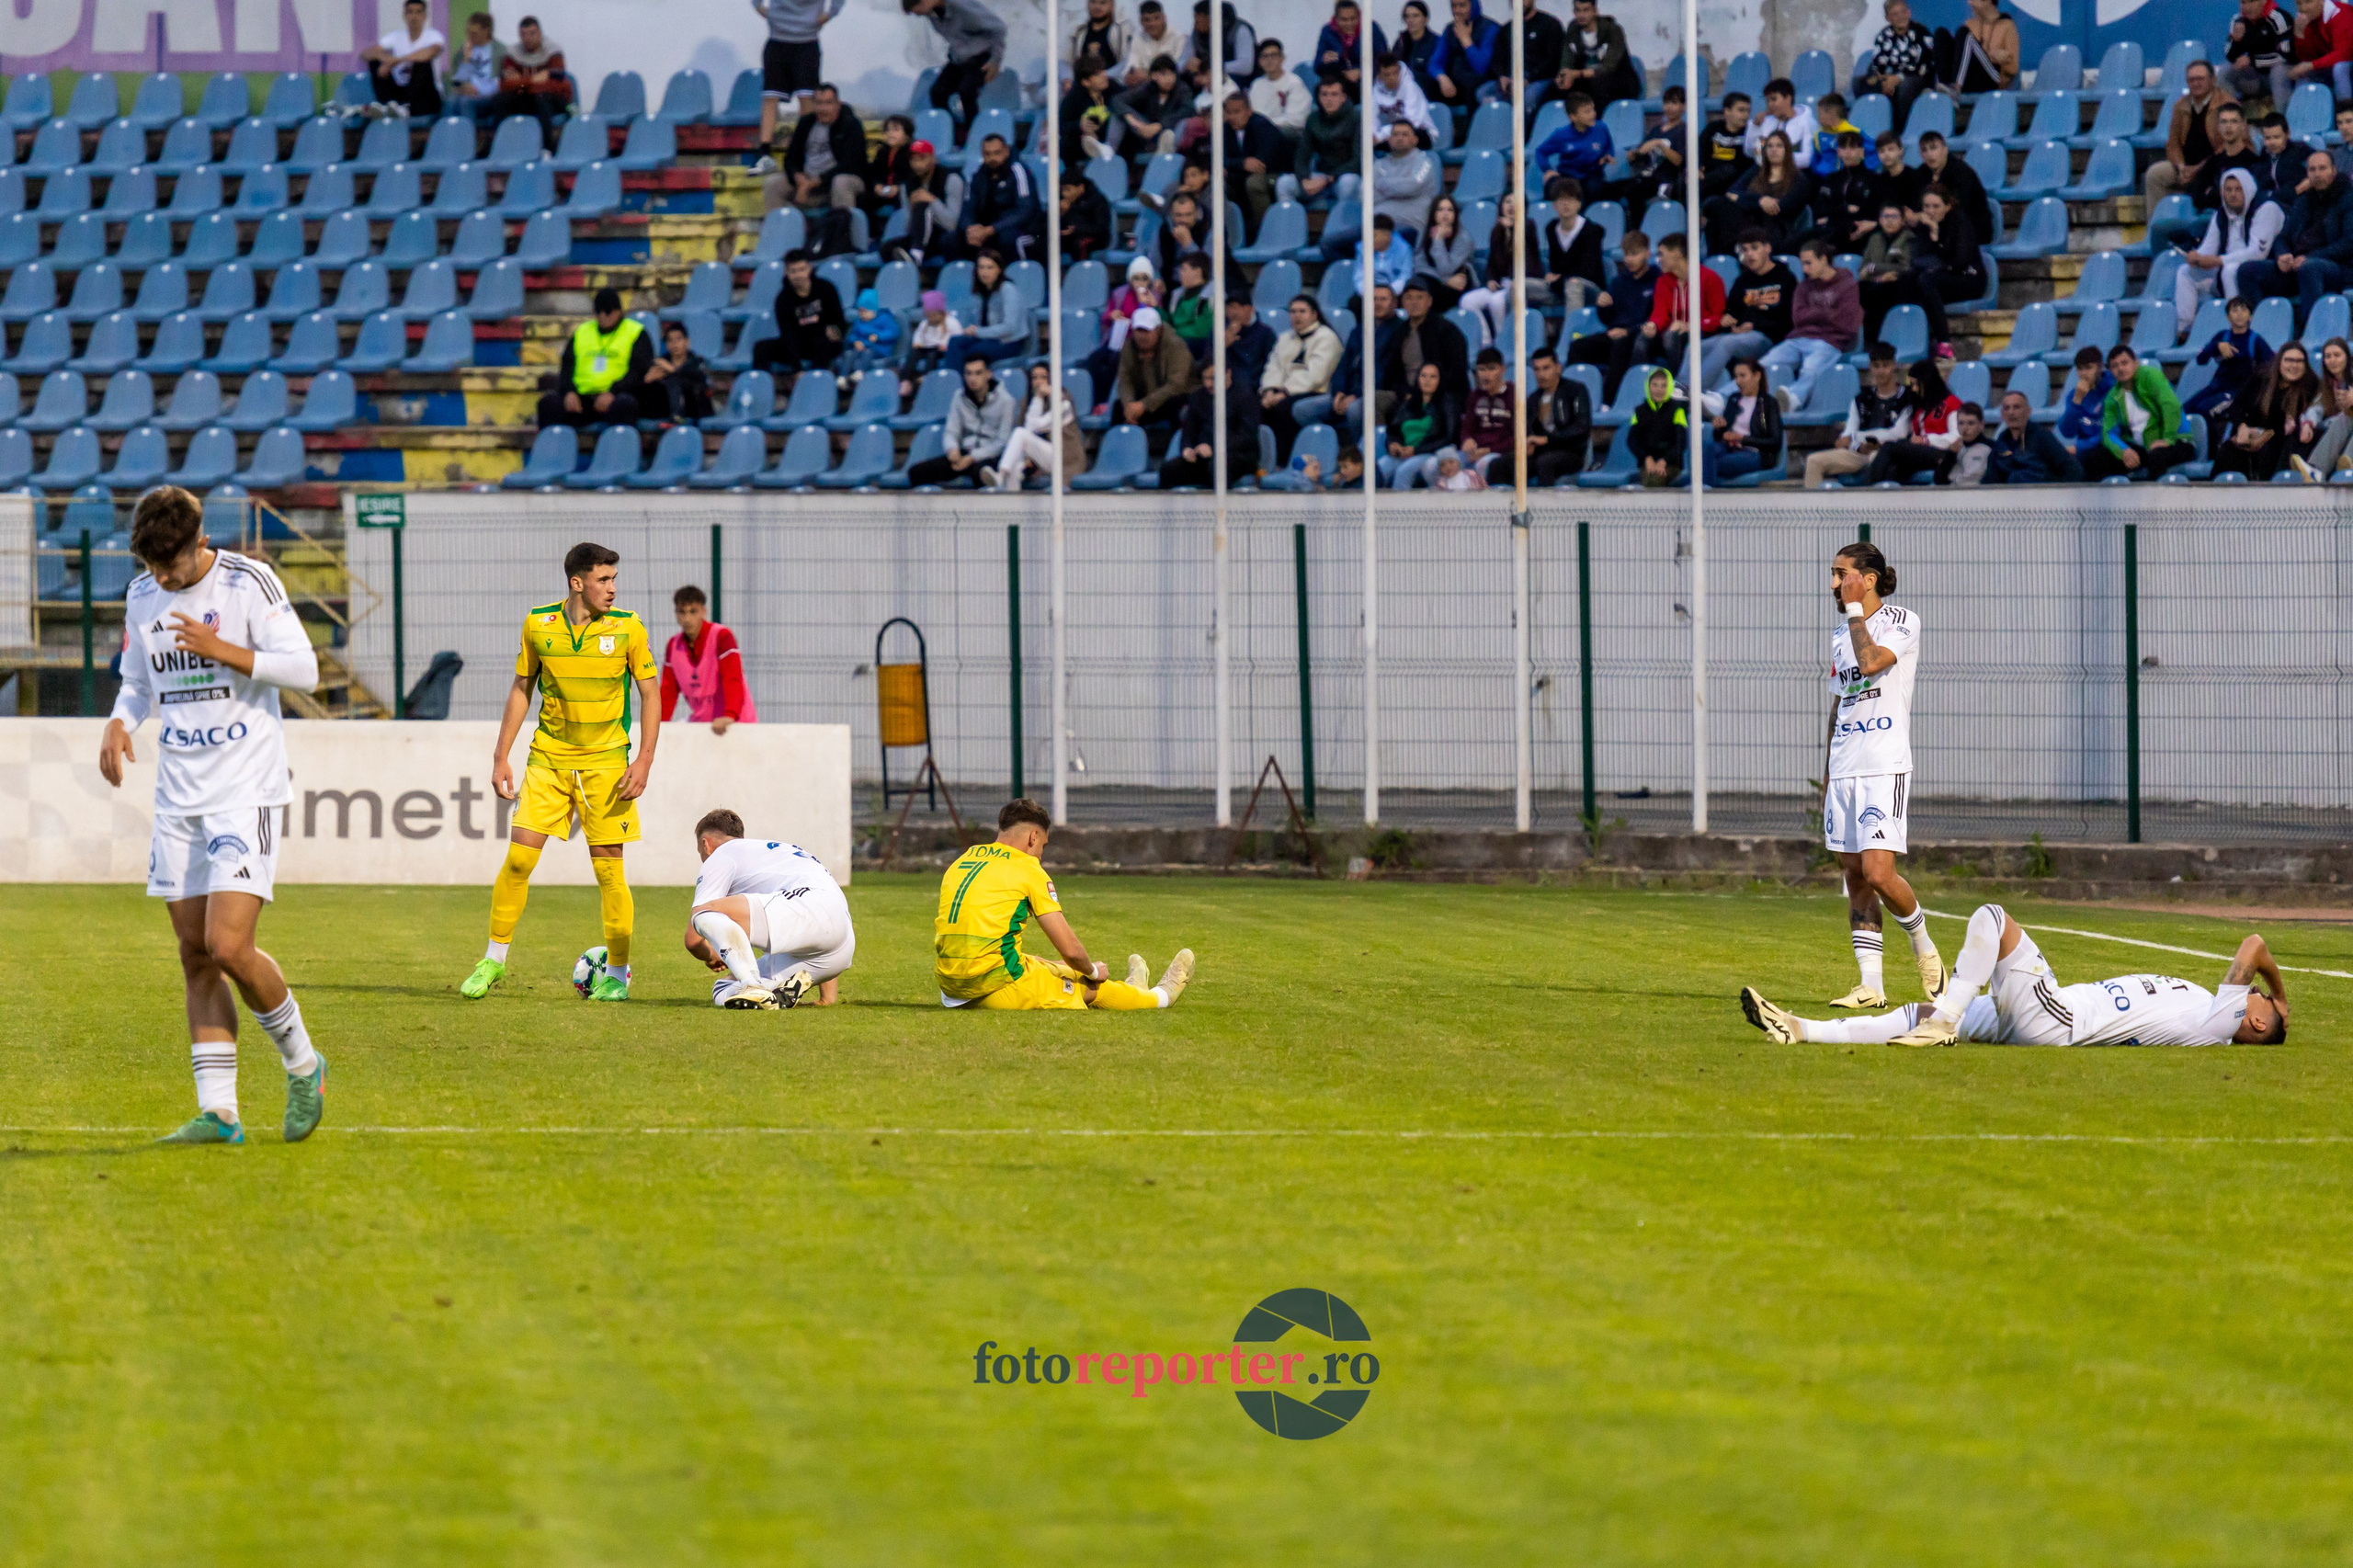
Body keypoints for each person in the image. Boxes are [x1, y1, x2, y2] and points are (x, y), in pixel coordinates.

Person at [98, 485, 325, 1145]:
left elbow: (305, 669)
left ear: (200, 542)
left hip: (244, 788)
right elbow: (138, 682)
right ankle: (220, 1112)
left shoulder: (249, 583)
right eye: (152, 567)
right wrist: (119, 723)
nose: (163, 579)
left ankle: (304, 1064)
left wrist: (220, 649)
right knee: (195, 954)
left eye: (170, 565)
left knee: (229, 946)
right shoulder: (144, 597)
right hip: (179, 797)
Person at [461, 542, 661, 1004]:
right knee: (518, 860)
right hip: (549, 759)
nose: (612, 588)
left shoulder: (629, 628)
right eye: (603, 580)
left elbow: (650, 693)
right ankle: (492, 960)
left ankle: (616, 974)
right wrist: (500, 755)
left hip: (607, 763)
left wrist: (644, 759)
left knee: (610, 870)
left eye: (614, 579)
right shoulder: (538, 624)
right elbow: (521, 688)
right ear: (578, 583)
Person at [1742, 910, 2288, 1051]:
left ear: (2258, 1021)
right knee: (1917, 1014)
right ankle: (1802, 1028)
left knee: (1994, 918)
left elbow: (2253, 947)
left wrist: (2281, 996)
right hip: (2043, 1015)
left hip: (2059, 1021)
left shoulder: (2220, 1025)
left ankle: (1949, 1016)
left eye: (2259, 1001)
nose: (2251, 992)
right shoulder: (2206, 1011)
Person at [936, 799, 1193, 1011]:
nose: (1041, 854)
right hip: (993, 988)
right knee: (1088, 986)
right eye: (1043, 846)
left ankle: (1132, 988)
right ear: (1033, 837)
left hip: (950, 988)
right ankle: (1160, 996)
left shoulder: (963, 860)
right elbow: (1071, 950)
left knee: (1040, 963)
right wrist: (1092, 971)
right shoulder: (1027, 868)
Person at [684, 813, 850, 1010]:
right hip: (839, 948)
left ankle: (751, 984)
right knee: (724, 987)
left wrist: (711, 955)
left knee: (704, 913)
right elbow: (824, 918)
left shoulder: (721, 855)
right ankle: (773, 991)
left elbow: (693, 939)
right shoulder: (781, 850)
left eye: (700, 853)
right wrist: (826, 999)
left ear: (706, 844)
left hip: (805, 908)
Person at [2239, 149, 2353, 328]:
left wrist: (2312, 256)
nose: (2317, 174)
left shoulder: (2347, 199)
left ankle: (2309, 330)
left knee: (2309, 268)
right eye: (2312, 170)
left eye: (2322, 169)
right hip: (2298, 265)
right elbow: (2282, 237)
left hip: (2335, 267)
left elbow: (2348, 243)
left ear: (2333, 171)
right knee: (2247, 270)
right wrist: (2283, 255)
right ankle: (2266, 327)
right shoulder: (2303, 201)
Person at [2177, 169, 2284, 333]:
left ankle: (2236, 329)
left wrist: (2218, 261)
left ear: (2248, 189)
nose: (2233, 194)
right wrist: (2196, 257)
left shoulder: (2266, 208)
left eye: (2238, 189)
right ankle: (2185, 330)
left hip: (2265, 270)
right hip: (2226, 267)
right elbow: (2208, 249)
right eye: (2228, 190)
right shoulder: (2221, 214)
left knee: (2230, 270)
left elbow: (2257, 253)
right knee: (2185, 272)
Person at [1765, 239, 1861, 414]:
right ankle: (1722, 398)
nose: (1804, 269)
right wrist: (1827, 313)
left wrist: (1814, 313)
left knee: (1811, 367)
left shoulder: (1847, 284)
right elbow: (1798, 318)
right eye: (1802, 264)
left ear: (1823, 259)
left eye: (1808, 263)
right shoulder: (1803, 286)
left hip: (1830, 341)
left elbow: (1846, 321)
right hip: (1798, 338)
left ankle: (1793, 398)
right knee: (1764, 364)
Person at [539, 287, 653, 428]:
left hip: (615, 398)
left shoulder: (636, 333)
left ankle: (617, 448)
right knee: (548, 404)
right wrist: (569, 391)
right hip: (583, 400)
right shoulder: (582, 332)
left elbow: (638, 372)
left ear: (619, 311)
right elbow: (567, 366)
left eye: (608, 311)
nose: (603, 316)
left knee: (626, 404)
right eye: (598, 312)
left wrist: (613, 393)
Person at [1804, 340, 1913, 486]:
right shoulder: (1861, 398)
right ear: (1870, 367)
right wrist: (1856, 445)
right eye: (1876, 366)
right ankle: (1812, 506)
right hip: (1859, 452)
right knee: (1814, 461)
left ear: (1894, 365)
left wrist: (1857, 438)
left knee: (1877, 457)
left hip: (1888, 453)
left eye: (1885, 366)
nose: (1881, 371)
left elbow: (1898, 433)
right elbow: (1848, 433)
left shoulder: (1907, 398)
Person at [754, 0, 847, 165]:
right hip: (777, 39)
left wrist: (831, 13)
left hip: (807, 41)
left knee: (807, 97)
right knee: (770, 96)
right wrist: (760, 8)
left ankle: (805, 147)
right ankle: (764, 151)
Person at [2213, 337, 2321, 478]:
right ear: (2279, 362)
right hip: (2251, 434)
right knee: (2227, 451)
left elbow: (2292, 422)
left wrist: (2264, 435)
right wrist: (2242, 427)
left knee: (2270, 448)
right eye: (2289, 360)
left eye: (2299, 361)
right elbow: (2237, 406)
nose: (2294, 365)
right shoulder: (2261, 378)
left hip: (2281, 438)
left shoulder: (2310, 385)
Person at [1570, 223, 1655, 399]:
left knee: (1620, 344)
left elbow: (1654, 317)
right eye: (1626, 254)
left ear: (1647, 253)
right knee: (1577, 347)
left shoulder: (1657, 280)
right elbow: (1607, 318)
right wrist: (1603, 306)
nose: (1629, 259)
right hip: (1614, 333)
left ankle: (1608, 401)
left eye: (1634, 254)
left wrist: (1628, 331)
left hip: (1637, 336)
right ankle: (1576, 397)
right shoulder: (1618, 281)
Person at [1899, 182, 1986, 355]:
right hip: (1941, 275)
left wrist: (1937, 237)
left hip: (1969, 277)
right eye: (1926, 206)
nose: (1930, 211)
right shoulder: (1925, 224)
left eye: (1936, 206)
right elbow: (1920, 259)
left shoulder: (1960, 222)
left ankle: (1944, 343)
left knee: (1926, 281)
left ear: (1948, 206)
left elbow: (1960, 261)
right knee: (1907, 279)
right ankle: (1907, 340)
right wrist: (1931, 234)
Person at [1701, 230, 1796, 387]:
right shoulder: (1742, 281)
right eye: (1745, 250)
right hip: (1740, 337)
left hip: (1769, 338)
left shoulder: (1785, 278)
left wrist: (1754, 326)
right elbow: (1731, 312)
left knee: (1727, 344)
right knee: (1696, 347)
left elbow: (1788, 320)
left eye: (1754, 248)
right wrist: (1729, 323)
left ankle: (1695, 392)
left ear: (1767, 248)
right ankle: (1683, 389)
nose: (1749, 254)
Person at [1462, 188, 1562, 337]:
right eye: (1508, 201)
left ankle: (1505, 339)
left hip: (1522, 283)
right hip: (1502, 285)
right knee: (1467, 301)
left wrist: (1514, 228)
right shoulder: (1497, 230)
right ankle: (1487, 340)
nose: (1511, 206)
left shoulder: (1529, 226)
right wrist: (1490, 280)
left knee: (1496, 302)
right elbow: (1492, 264)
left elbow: (1525, 260)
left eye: (1516, 202)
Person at [2086, 345, 2193, 480]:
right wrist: (2124, 451)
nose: (2120, 369)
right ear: (2111, 371)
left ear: (2135, 363)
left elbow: (2171, 405)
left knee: (2157, 456)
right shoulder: (2112, 397)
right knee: (2096, 458)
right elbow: (2108, 433)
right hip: (2143, 447)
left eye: (2125, 363)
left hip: (2176, 441)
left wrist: (2168, 438)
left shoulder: (2150, 376)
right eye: (2115, 366)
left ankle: (2155, 500)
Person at [661, 584, 756, 736]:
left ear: (703, 612)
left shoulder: (722, 637)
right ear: (675, 613)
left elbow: (732, 678)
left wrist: (729, 715)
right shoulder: (673, 646)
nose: (687, 618)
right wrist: (659, 723)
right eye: (682, 612)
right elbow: (667, 692)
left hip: (736, 724)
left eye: (693, 611)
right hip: (704, 726)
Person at [908, 355, 1017, 486]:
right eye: (968, 373)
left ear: (988, 374)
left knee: (981, 474)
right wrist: (952, 449)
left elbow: (1002, 443)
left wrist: (973, 457)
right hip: (964, 453)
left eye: (978, 373)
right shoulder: (959, 397)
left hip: (990, 456)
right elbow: (951, 431)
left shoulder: (1006, 401)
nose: (973, 378)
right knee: (916, 472)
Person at [2144, 61, 2238, 211]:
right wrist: (2181, 167)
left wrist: (2199, 168)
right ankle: (2156, 228)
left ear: (2212, 80)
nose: (2196, 83)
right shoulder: (2180, 106)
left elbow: (2227, 146)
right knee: (2155, 174)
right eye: (2191, 80)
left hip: (2213, 166)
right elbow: (2173, 143)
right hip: (2185, 166)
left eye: (2200, 79)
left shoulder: (2226, 105)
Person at [1260, 294, 1344, 460]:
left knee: (1284, 408)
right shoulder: (1285, 338)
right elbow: (1274, 367)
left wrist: (1285, 392)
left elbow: (1316, 376)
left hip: (1317, 391)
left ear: (1314, 314)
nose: (1296, 315)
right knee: (1258, 406)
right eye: (1292, 311)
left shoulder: (1326, 337)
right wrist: (1269, 390)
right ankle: (1263, 462)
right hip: (1284, 391)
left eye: (1302, 311)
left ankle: (1283, 460)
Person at [1314, 280, 1404, 436]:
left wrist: (1356, 395)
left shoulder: (1400, 331)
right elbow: (1343, 365)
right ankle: (1332, 446)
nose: (1378, 303)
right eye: (1374, 299)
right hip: (1349, 392)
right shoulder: (1359, 330)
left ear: (1394, 303)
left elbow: (1383, 373)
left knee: (1355, 409)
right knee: (1303, 410)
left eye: (1383, 299)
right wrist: (1339, 392)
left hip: (1376, 393)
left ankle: (1360, 453)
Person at [1705, 129, 1811, 255]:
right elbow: (1731, 193)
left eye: (1779, 146)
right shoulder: (1756, 171)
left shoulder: (1799, 179)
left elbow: (1780, 208)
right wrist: (1760, 201)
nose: (1774, 150)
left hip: (1774, 229)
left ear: (1787, 150)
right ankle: (1725, 257)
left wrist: (1746, 201)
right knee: (1717, 204)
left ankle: (1733, 251)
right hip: (1746, 222)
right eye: (1769, 146)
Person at [1860, 358, 1962, 483]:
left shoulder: (1952, 404)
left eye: (1916, 384)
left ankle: (1868, 491)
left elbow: (1956, 438)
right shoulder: (1920, 409)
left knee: (1889, 447)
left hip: (1944, 454)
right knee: (1894, 469)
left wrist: (1927, 440)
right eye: (1912, 384)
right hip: (1922, 453)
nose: (1913, 389)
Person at [1159, 361, 1262, 487]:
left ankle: (1220, 506)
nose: (1208, 384)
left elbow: (1246, 437)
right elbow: (1189, 431)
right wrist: (1187, 448)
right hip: (1203, 456)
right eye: (1205, 378)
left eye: (1213, 378)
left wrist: (1214, 448)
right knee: (1169, 469)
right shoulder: (1198, 397)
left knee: (1217, 467)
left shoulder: (1245, 397)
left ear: (1228, 374)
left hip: (1238, 456)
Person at [906, 0, 1007, 126]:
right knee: (938, 92)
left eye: (918, 9)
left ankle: (973, 130)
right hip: (959, 59)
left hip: (981, 56)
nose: (919, 15)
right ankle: (949, 130)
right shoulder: (933, 15)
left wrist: (996, 60)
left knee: (966, 91)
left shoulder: (961, 7)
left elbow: (998, 28)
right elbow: (955, 37)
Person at [1601, 84, 1688, 225]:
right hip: (1646, 176)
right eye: (1666, 103)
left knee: (1634, 192)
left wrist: (1659, 144)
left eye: (1674, 103)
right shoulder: (1655, 130)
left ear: (1683, 107)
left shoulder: (1684, 130)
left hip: (1665, 180)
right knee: (1606, 189)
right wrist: (1634, 154)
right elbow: (1639, 154)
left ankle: (1639, 229)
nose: (1669, 107)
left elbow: (1679, 160)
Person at [993, 361, 1088, 488]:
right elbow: (1027, 431)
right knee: (1015, 463)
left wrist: (1039, 397)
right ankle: (1011, 498)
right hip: (1046, 457)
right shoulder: (1027, 402)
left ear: (1051, 380)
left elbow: (1035, 426)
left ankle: (1001, 474)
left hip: (1066, 458)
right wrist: (1026, 456)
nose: (1038, 382)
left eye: (1043, 377)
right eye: (1034, 378)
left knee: (1020, 434)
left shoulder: (1064, 401)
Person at [751, 250, 846, 376]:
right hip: (798, 344)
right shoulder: (783, 299)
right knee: (761, 348)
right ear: (786, 272)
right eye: (793, 271)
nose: (798, 275)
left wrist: (836, 331)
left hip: (824, 342)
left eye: (802, 269)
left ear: (809, 268)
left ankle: (814, 380)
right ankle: (760, 387)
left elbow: (840, 321)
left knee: (824, 341)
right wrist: (797, 369)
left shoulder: (826, 288)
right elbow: (787, 335)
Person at [781, 83, 870, 215]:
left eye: (828, 103)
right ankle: (780, 230)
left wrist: (816, 182)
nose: (823, 108)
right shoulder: (806, 123)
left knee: (840, 182)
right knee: (774, 183)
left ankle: (841, 231)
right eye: (819, 103)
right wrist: (796, 175)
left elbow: (851, 164)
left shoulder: (850, 124)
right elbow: (790, 158)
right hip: (807, 178)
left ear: (837, 104)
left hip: (841, 179)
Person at [1644, 232, 1724, 375]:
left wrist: (1691, 326)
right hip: (1673, 330)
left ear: (1677, 253)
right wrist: (1653, 324)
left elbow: (1718, 318)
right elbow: (1660, 312)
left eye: (1662, 254)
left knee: (1672, 335)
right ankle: (1640, 384)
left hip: (1703, 331)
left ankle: (1677, 384)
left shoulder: (1711, 279)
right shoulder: (1663, 281)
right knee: (1642, 338)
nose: (1659, 260)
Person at [2185, 291, 2274, 420]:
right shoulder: (2221, 337)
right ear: (2228, 317)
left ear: (2250, 316)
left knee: (2204, 409)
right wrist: (2215, 347)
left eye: (2243, 310)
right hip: (2216, 387)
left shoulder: (2255, 341)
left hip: (2240, 392)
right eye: (2234, 310)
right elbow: (2201, 360)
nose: (2239, 314)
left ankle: (2212, 440)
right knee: (2184, 411)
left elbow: (2270, 366)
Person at [1115, 304, 1196, 440]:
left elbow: (1177, 385)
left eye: (1146, 331)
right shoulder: (1129, 346)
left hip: (1175, 396)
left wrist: (1144, 404)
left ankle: (1175, 450)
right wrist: (1129, 404)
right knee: (1119, 407)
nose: (1142, 336)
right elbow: (1125, 379)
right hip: (1148, 397)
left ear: (1158, 330)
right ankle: (1121, 451)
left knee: (1175, 404)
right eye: (1138, 330)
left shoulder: (1176, 346)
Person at [943, 248, 1032, 370]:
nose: (985, 272)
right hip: (989, 339)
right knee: (954, 342)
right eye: (981, 267)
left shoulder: (1008, 289)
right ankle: (953, 383)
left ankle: (962, 386)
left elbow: (1010, 327)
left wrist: (978, 332)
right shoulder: (982, 291)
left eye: (990, 267)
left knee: (970, 353)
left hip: (1008, 342)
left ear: (999, 270)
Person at [483, 16, 571, 138]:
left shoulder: (553, 52)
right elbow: (505, 85)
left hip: (552, 99)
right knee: (500, 100)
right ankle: (503, 144)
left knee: (541, 96)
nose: (528, 38)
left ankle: (547, 148)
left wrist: (520, 82)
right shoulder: (513, 54)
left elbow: (557, 85)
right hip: (525, 96)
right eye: (523, 34)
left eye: (532, 33)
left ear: (540, 33)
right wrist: (533, 80)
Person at [961, 133, 1042, 260]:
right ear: (982, 154)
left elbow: (1026, 211)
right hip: (988, 229)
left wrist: (991, 229)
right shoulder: (978, 174)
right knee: (951, 240)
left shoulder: (1019, 171)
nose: (992, 158)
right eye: (988, 154)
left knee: (1008, 239)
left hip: (1021, 229)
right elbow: (967, 209)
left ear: (1006, 151)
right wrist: (970, 229)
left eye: (997, 153)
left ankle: (1019, 277)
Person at [1220, 87, 1290, 232]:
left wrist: (1233, 166)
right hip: (1242, 175)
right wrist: (1241, 163)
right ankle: (1234, 233)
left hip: (1277, 176)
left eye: (1237, 112)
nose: (1232, 117)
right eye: (1228, 112)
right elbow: (1219, 159)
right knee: (1220, 182)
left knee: (1254, 183)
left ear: (1249, 111)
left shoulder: (1262, 126)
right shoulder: (1224, 130)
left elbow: (1261, 165)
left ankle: (1266, 231)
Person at [1701, 357, 1781, 484]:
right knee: (1705, 450)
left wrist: (1741, 438)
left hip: (1755, 453)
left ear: (1757, 376)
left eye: (1743, 376)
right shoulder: (1734, 399)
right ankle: (1706, 491)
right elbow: (1720, 436)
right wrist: (1719, 427)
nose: (1738, 381)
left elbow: (1775, 441)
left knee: (1715, 463)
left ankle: (1705, 493)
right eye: (1736, 377)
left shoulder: (1769, 403)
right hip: (1729, 448)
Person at [1856, 0, 1934, 130]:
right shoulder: (1883, 36)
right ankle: (1874, 127)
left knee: (1904, 86)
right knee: (1859, 83)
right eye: (1895, 14)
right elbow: (1877, 63)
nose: (1901, 17)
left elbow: (1925, 65)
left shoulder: (1922, 33)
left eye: (1903, 12)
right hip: (1890, 78)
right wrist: (1885, 79)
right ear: (1888, 18)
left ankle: (1899, 130)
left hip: (1917, 78)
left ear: (1909, 13)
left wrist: (1898, 78)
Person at [360, 0, 445, 118]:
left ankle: (406, 107)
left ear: (425, 16)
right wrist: (385, 59)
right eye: (410, 12)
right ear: (405, 16)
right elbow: (365, 53)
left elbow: (429, 53)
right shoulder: (396, 37)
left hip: (426, 97)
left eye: (418, 12)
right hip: (400, 92)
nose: (414, 17)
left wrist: (395, 61)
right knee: (375, 62)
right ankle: (386, 106)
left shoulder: (433, 36)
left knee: (421, 63)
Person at [1382, 359, 1460, 486]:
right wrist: (1393, 444)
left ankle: (1400, 506)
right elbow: (1393, 431)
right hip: (1402, 453)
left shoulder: (1447, 404)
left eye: (1432, 376)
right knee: (1380, 468)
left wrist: (1415, 450)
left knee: (1404, 471)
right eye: (1423, 375)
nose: (1427, 380)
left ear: (1440, 380)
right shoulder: (1408, 404)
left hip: (1429, 453)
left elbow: (1447, 437)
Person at [1520, 346, 1591, 483]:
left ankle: (1544, 503)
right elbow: (1527, 428)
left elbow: (1581, 428)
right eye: (1537, 369)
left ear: (1558, 368)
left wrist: (1548, 439)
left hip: (1571, 452)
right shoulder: (1534, 398)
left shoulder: (1576, 390)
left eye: (1546, 368)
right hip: (1541, 452)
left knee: (1545, 463)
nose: (1541, 374)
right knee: (1503, 463)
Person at [1554, 0, 1641, 111]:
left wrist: (1576, 74)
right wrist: (1563, 75)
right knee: (1556, 88)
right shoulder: (1573, 29)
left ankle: (1598, 123)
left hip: (1619, 81)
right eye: (1578, 11)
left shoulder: (1613, 30)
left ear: (1595, 11)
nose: (1581, 15)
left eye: (1586, 10)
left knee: (1599, 84)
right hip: (1588, 81)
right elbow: (1566, 58)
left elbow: (1609, 67)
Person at [1427, 0, 1502, 127]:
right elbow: (1434, 62)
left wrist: (1466, 40)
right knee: (1427, 84)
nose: (1457, 10)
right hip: (1454, 81)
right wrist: (1442, 77)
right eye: (1454, 6)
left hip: (1479, 79)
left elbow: (1481, 66)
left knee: (1471, 83)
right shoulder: (1450, 29)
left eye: (1462, 5)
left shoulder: (1490, 28)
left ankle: (1473, 132)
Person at [1397, 273, 1471, 400]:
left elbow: (1456, 373)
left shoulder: (1447, 331)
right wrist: (1405, 393)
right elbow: (1393, 373)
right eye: (1409, 298)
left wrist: (1428, 393)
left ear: (1429, 301)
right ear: (1403, 302)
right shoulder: (1399, 332)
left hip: (1442, 396)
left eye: (1420, 298)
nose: (1414, 303)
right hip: (1407, 396)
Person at [1984, 389, 2083, 483]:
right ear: (2002, 414)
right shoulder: (2001, 443)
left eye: (2016, 407)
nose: (2011, 413)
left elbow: (2072, 470)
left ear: (2028, 412)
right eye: (2007, 408)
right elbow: (1990, 478)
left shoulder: (2042, 437)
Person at [1915, 131, 1992, 245]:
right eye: (1924, 150)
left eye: (1933, 148)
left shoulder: (1961, 172)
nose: (1930, 154)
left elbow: (1960, 207)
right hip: (1935, 226)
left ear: (1945, 149)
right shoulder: (1921, 173)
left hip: (1970, 228)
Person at [1855, 200, 1916, 343]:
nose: (1889, 220)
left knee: (1878, 292)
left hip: (1897, 285)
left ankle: (1879, 340)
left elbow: (1905, 267)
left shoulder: (1908, 239)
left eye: (1893, 216)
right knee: (1859, 289)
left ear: (1902, 220)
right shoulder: (1874, 238)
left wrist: (1874, 268)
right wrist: (1876, 275)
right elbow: (1863, 270)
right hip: (1875, 283)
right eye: (1885, 216)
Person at [1296, 76, 1363, 206]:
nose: (1329, 99)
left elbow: (1358, 161)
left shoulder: (1356, 117)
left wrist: (1328, 178)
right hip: (1321, 175)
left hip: (1345, 176)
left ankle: (1343, 225)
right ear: (1319, 97)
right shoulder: (1313, 119)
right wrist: (1304, 178)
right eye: (1324, 94)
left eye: (1334, 94)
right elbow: (1301, 156)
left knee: (1348, 182)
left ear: (1343, 97)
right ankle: (1288, 223)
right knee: (1285, 183)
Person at [1115, 52, 1190, 164]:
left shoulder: (1182, 89)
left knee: (1181, 124)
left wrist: (1160, 125)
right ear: (1154, 76)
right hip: (1147, 132)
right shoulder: (1148, 87)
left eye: (1172, 74)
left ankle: (1165, 151)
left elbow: (1187, 111)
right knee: (1118, 116)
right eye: (1164, 74)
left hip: (1169, 130)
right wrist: (1133, 121)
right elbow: (1118, 100)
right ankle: (1107, 153)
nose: (1169, 79)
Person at [1454, 345, 1516, 480]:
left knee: (1483, 464)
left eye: (1491, 369)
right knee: (1442, 464)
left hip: (1499, 451)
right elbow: (1467, 428)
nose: (1486, 375)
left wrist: (1489, 450)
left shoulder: (1514, 395)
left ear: (1503, 369)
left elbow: (1516, 437)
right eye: (1481, 369)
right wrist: (1467, 440)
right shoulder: (1475, 396)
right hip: (1475, 450)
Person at [1372, 116, 1441, 236]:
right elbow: (1365, 194)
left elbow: (1411, 186)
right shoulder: (1379, 165)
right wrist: (1400, 190)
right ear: (1389, 140)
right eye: (1395, 134)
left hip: (1412, 227)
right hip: (1377, 227)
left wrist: (1383, 185)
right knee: (1331, 244)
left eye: (1405, 135)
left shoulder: (1425, 163)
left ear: (1415, 140)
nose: (1400, 138)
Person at [1933, 0, 2017, 95]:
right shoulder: (1970, 24)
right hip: (1970, 79)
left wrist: (2002, 59)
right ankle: (1944, 87)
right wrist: (1990, 55)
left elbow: (2013, 69)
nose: (1970, 3)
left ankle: (1956, 87)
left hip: (1992, 80)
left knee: (1964, 34)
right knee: (1941, 33)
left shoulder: (2007, 26)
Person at [1814, 131, 1883, 244]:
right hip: (1830, 228)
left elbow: (1870, 211)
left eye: (1852, 147)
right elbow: (1820, 208)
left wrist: (1832, 216)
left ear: (1862, 152)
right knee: (1796, 242)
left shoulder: (1873, 179)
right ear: (1838, 152)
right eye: (1843, 147)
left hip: (1858, 230)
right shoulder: (1832, 179)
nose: (1847, 152)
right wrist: (1845, 209)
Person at [1534, 90, 1613, 189]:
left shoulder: (1601, 128)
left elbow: (1609, 148)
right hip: (1568, 177)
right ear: (1573, 117)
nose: (1593, 114)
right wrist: (1547, 169)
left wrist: (1607, 156)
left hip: (1593, 175)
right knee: (1553, 186)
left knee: (1595, 188)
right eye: (1587, 112)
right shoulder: (1561, 134)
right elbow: (1541, 151)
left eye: (1593, 110)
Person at [2226, 0, 2298, 107]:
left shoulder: (2279, 18)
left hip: (2284, 76)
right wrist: (2236, 41)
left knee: (2278, 72)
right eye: (2243, 2)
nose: (2247, 7)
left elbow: (2285, 56)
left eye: (2251, 2)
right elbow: (2230, 56)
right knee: (2225, 72)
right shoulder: (2237, 20)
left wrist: (2252, 61)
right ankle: (2232, 116)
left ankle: (2282, 120)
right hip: (2255, 79)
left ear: (2264, 1)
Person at [1413, 194, 1478, 309]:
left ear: (1455, 214)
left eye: (1450, 210)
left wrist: (1438, 241)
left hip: (1458, 278)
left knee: (1433, 296)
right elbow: (1419, 265)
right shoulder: (1425, 232)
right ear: (1433, 213)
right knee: (1416, 288)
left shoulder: (1463, 238)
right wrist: (1444, 280)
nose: (1445, 214)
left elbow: (1446, 269)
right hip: (1437, 279)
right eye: (1440, 210)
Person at [642, 320, 715, 422]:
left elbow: (701, 387)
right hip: (665, 407)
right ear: (666, 344)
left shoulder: (697, 362)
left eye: (678, 339)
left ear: (687, 341)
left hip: (693, 406)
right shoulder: (661, 362)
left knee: (674, 380)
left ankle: (676, 417)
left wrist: (674, 371)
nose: (674, 344)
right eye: (670, 340)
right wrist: (648, 381)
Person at [1626, 366, 1688, 485]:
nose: (1659, 389)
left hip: (1671, 464)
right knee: (1650, 477)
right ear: (1648, 386)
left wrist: (1664, 461)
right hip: (1647, 464)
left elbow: (1681, 442)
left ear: (1669, 387)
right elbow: (1632, 440)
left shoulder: (1678, 410)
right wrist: (1646, 458)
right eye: (1655, 385)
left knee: (1654, 479)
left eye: (1663, 385)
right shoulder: (1639, 411)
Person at [1313, 0, 1386, 97]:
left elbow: (1384, 59)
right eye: (1344, 20)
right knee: (1322, 89)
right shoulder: (1328, 31)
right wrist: (1324, 61)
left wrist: (1362, 72)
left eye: (1353, 19)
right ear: (1336, 19)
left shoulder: (1371, 28)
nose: (1349, 23)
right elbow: (1317, 65)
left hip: (1368, 83)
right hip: (1339, 83)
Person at [2053, 345, 2112, 464]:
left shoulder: (2113, 389)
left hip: (2109, 447)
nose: (2083, 374)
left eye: (2088, 368)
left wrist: (2079, 447)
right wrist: (2076, 402)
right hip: (2085, 451)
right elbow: (2067, 432)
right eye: (2080, 369)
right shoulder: (2075, 395)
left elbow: (2111, 431)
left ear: (2100, 367)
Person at [447, 10, 504, 130]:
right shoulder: (464, 49)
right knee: (450, 101)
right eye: (468, 32)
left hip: (488, 97)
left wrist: (478, 91)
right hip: (466, 94)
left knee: (465, 102)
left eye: (474, 33)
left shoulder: (500, 51)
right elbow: (456, 82)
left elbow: (500, 83)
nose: (469, 37)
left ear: (486, 31)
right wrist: (466, 60)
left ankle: (469, 142)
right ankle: (446, 141)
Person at [1060, 51, 1118, 165]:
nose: (1104, 75)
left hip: (1107, 138)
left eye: (1103, 70)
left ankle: (1105, 150)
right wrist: (1080, 126)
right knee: (1067, 142)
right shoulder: (1073, 99)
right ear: (1085, 82)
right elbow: (1062, 126)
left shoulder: (1113, 87)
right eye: (1097, 74)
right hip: (1082, 142)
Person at [1372, 50, 1439, 148]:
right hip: (1391, 135)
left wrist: (1381, 135)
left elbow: (1412, 122)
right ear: (1379, 76)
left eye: (1395, 73)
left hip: (1420, 132)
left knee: (1402, 138)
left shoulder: (1410, 86)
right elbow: (1371, 118)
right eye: (1387, 74)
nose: (1392, 78)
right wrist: (1373, 135)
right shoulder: (1374, 91)